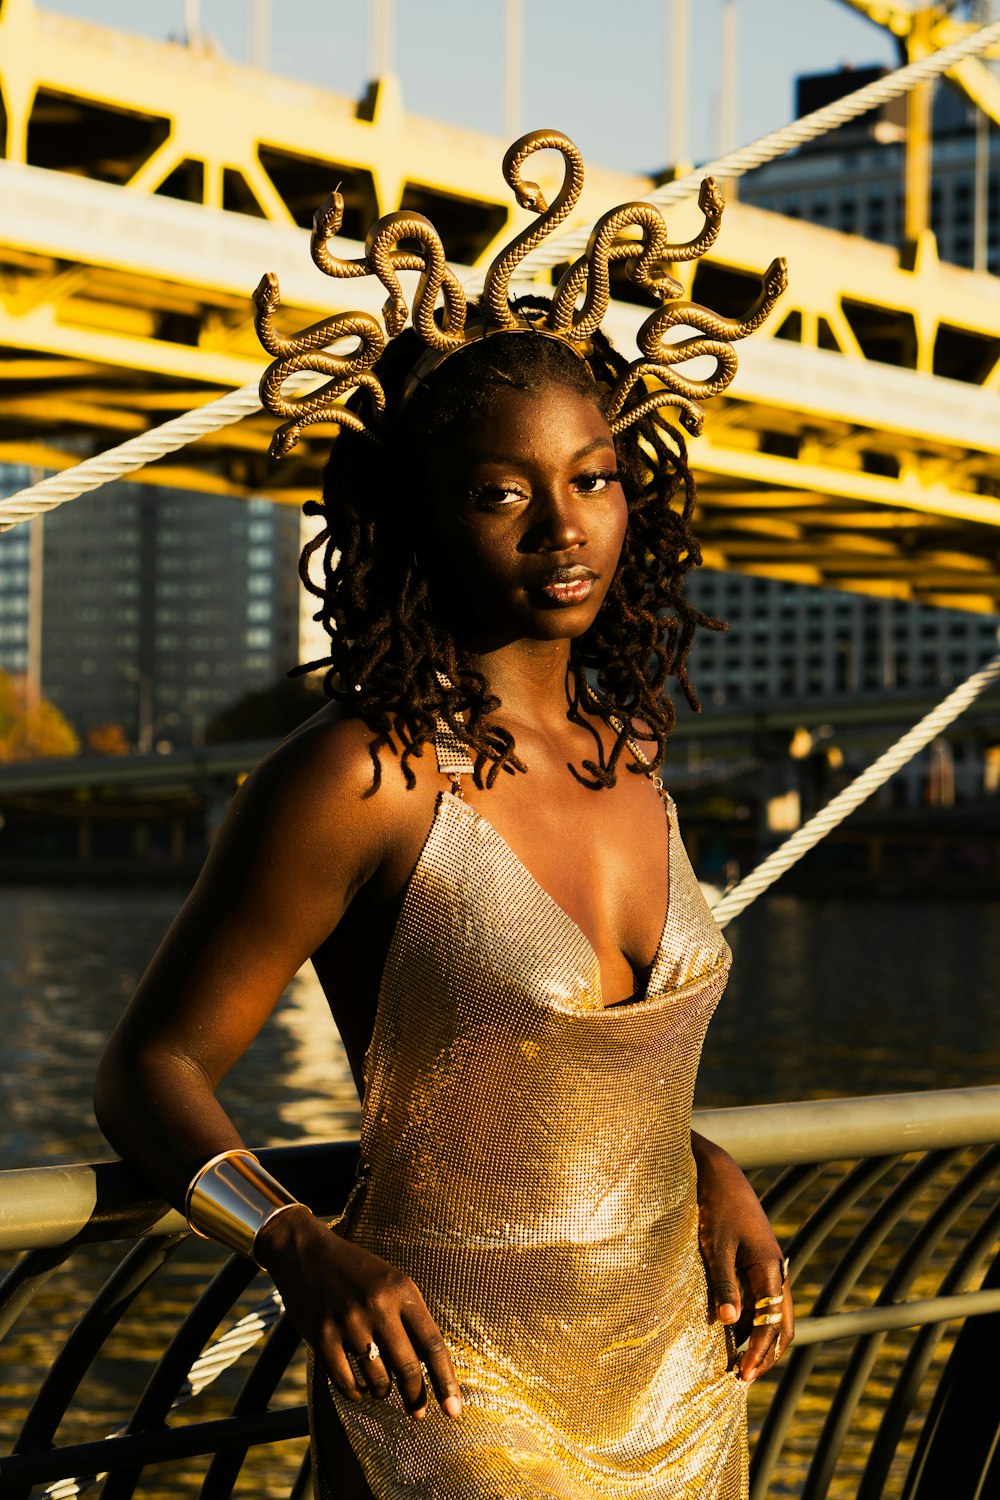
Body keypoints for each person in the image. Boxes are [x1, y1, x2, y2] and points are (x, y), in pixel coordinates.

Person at [95, 131, 792, 1499]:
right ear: (424, 522)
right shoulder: (361, 776)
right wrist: (300, 1245)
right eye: (502, 494)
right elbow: (145, 1072)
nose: (563, 528)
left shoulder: (633, 753)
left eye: (592, 478)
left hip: (677, 1378)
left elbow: (571, 1079)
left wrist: (707, 1165)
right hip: (450, 1397)